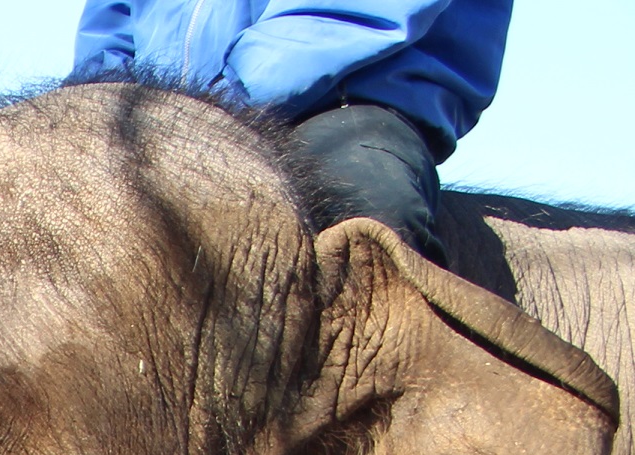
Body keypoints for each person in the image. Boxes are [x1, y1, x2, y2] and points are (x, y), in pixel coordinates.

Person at [72, 1, 512, 263]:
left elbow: (357, 14)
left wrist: (221, 98)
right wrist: (102, 100)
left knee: (369, 227)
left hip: (347, 100)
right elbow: (113, 21)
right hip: (164, 114)